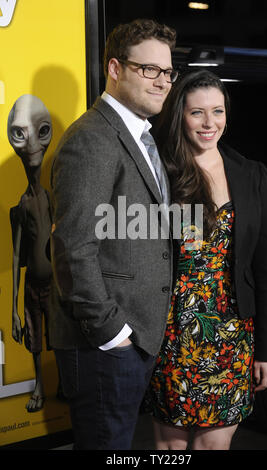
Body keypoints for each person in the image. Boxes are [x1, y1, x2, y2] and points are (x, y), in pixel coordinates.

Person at [48, 19, 178, 450]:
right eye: (149, 70)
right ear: (116, 68)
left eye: (168, 72)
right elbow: (72, 246)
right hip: (104, 344)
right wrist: (111, 331)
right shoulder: (92, 139)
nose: (162, 82)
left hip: (131, 339)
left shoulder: (139, 133)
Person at [146, 70, 267, 450]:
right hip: (173, 333)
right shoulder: (160, 174)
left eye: (217, 111)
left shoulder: (252, 174)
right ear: (180, 117)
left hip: (232, 335)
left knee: (213, 446)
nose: (210, 123)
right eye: (197, 113)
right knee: (171, 448)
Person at [8, 94, 53, 413]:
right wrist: (13, 306)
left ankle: (64, 381)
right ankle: (40, 384)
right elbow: (15, 256)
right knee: (35, 339)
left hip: (56, 286)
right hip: (34, 287)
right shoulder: (22, 206)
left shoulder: (55, 198)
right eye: (19, 133)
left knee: (59, 335)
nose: (31, 143)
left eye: (42, 130)